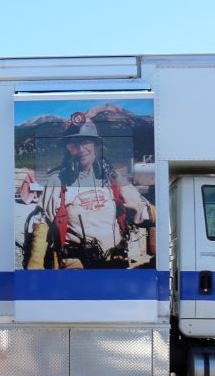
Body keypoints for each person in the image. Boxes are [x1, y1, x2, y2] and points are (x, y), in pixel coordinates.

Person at [45, 114, 149, 268]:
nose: (81, 149)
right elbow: (42, 224)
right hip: (76, 262)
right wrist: (35, 269)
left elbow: (140, 206)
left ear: (94, 144)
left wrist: (150, 214)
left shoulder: (111, 176)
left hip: (114, 258)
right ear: (67, 149)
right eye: (74, 144)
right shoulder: (57, 180)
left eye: (86, 142)